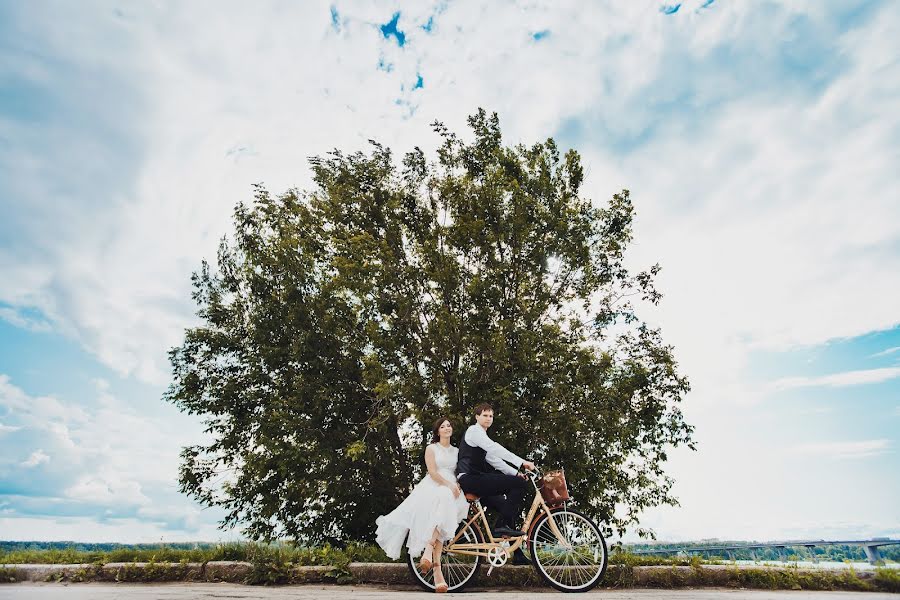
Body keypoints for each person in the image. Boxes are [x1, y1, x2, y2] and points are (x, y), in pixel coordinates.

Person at [375, 417, 468, 593]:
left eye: (449, 426)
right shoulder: (431, 448)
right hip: (436, 486)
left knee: (443, 513)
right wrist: (448, 485)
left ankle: (429, 552)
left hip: (453, 490)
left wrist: (457, 485)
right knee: (443, 499)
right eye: (443, 426)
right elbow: (432, 472)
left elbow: (461, 471)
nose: (447, 428)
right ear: (437, 431)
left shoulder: (457, 451)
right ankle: (437, 570)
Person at [456, 402, 535, 565]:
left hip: (477, 480)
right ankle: (500, 527)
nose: (488, 418)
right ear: (477, 417)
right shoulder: (474, 431)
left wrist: (516, 473)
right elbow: (495, 448)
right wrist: (522, 462)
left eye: (491, 416)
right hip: (470, 479)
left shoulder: (482, 439)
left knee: (506, 506)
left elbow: (495, 460)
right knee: (517, 486)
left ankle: (517, 554)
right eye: (485, 415)